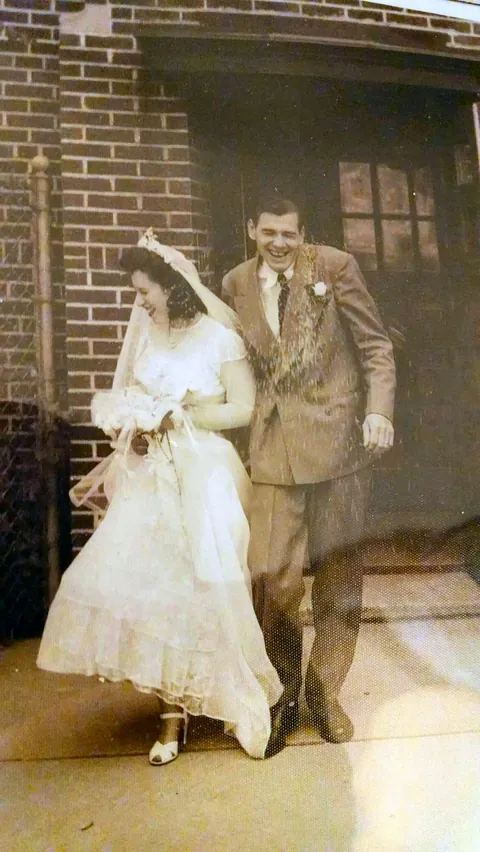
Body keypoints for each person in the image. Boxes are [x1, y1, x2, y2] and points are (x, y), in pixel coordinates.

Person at [37, 229, 283, 763]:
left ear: (173, 288)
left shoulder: (220, 338)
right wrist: (136, 422)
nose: (139, 302)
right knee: (161, 590)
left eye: (145, 291)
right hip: (153, 473)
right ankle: (171, 718)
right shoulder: (147, 335)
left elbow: (242, 408)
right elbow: (133, 395)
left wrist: (180, 414)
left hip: (205, 470)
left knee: (209, 583)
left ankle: (232, 699)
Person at [222, 196, 396, 757]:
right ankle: (282, 697)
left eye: (289, 234)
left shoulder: (335, 267)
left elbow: (375, 345)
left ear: (303, 234)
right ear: (251, 230)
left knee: (340, 572)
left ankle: (325, 694)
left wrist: (379, 410)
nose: (279, 243)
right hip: (274, 445)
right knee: (274, 576)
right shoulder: (236, 283)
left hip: (339, 439)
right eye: (268, 231)